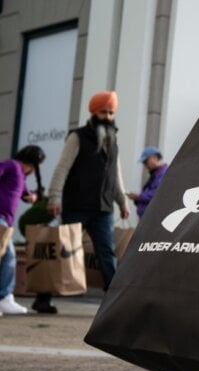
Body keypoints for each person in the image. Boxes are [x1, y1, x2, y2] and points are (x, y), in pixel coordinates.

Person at [34, 91, 130, 314]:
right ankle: (43, 298)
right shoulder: (77, 136)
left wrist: (122, 202)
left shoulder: (114, 140)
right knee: (63, 252)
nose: (107, 116)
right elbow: (62, 168)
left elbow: (116, 175)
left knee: (107, 253)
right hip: (76, 205)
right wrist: (55, 197)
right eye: (103, 111)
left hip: (103, 208)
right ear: (94, 112)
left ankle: (114, 304)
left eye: (111, 112)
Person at [0, 146, 44, 315]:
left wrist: (33, 196)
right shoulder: (11, 165)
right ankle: (4, 297)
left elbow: (25, 195)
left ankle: (4, 297)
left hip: (6, 223)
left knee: (8, 257)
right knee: (9, 256)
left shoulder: (20, 175)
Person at [127, 147, 168, 218]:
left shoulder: (163, 174)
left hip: (154, 220)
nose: (145, 165)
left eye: (146, 161)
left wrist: (138, 197)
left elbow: (156, 194)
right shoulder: (155, 174)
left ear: (154, 158)